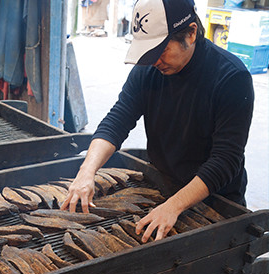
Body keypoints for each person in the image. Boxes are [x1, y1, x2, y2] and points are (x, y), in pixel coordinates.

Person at [61, 0, 254, 242]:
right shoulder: (149, 70)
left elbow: (226, 160)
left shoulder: (231, 78)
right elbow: (117, 120)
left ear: (191, 33)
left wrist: (173, 206)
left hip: (216, 198)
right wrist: (86, 172)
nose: (154, 61)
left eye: (161, 51)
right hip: (166, 184)